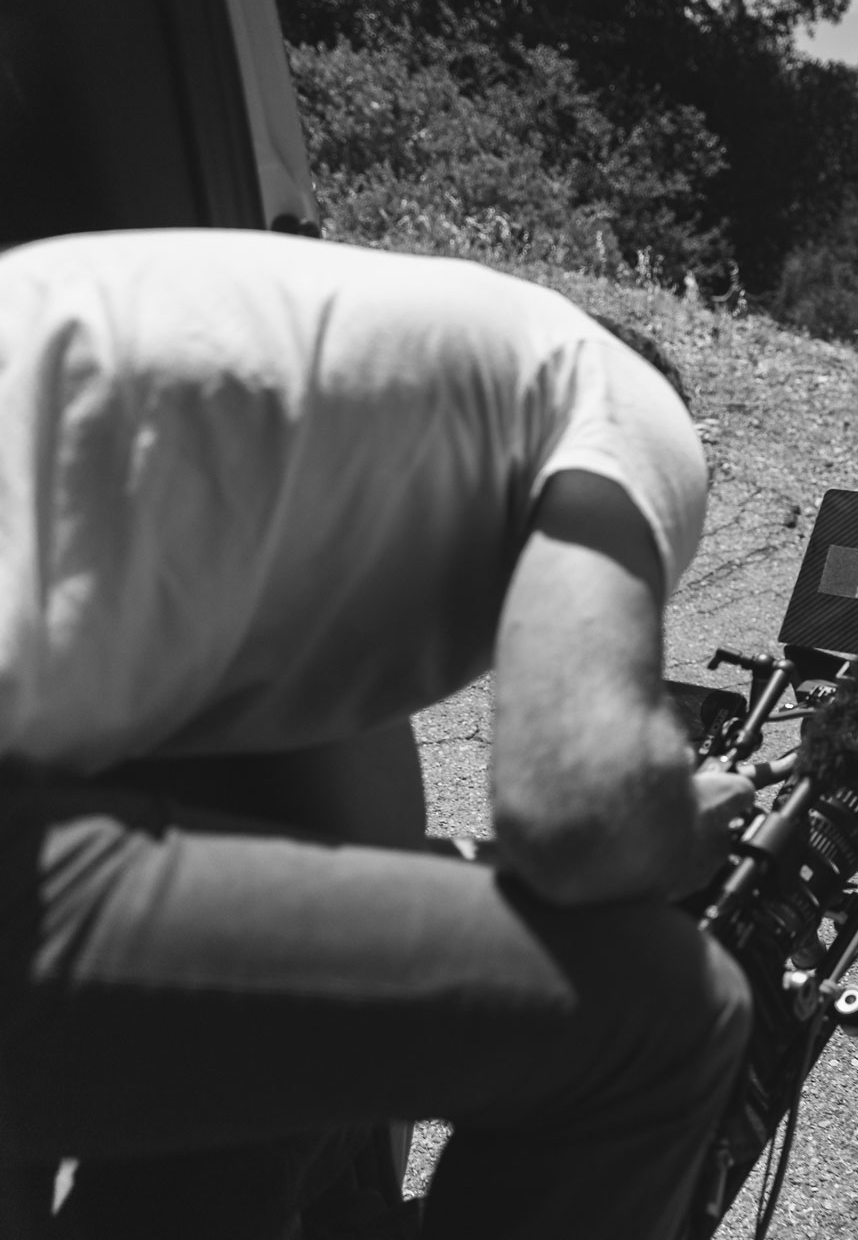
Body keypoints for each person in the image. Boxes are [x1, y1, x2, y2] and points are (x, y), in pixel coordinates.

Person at [0, 228, 756, 1237]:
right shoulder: (623, 405)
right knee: (668, 1017)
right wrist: (667, 822)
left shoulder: (340, 388)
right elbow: (576, 813)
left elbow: (344, 847)